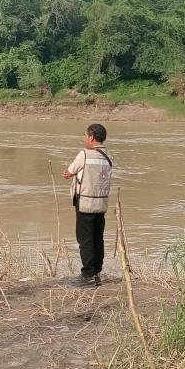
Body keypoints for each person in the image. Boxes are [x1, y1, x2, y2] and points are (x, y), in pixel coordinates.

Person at [63, 123, 113, 287]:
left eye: (85, 135)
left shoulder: (84, 154)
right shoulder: (109, 156)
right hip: (102, 203)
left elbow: (68, 172)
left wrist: (70, 173)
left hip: (85, 203)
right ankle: (96, 273)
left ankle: (87, 276)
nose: (84, 138)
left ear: (91, 137)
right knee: (98, 238)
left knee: (85, 239)